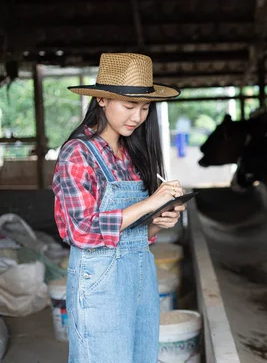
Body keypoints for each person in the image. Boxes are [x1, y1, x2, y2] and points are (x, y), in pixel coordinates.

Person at [52, 53, 184, 362]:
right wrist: (150, 202)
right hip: (99, 285)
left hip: (140, 278)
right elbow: (81, 231)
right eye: (129, 106)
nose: (137, 117)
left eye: (145, 107)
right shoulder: (77, 154)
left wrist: (157, 221)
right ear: (100, 99)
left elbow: (131, 234)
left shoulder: (129, 153)